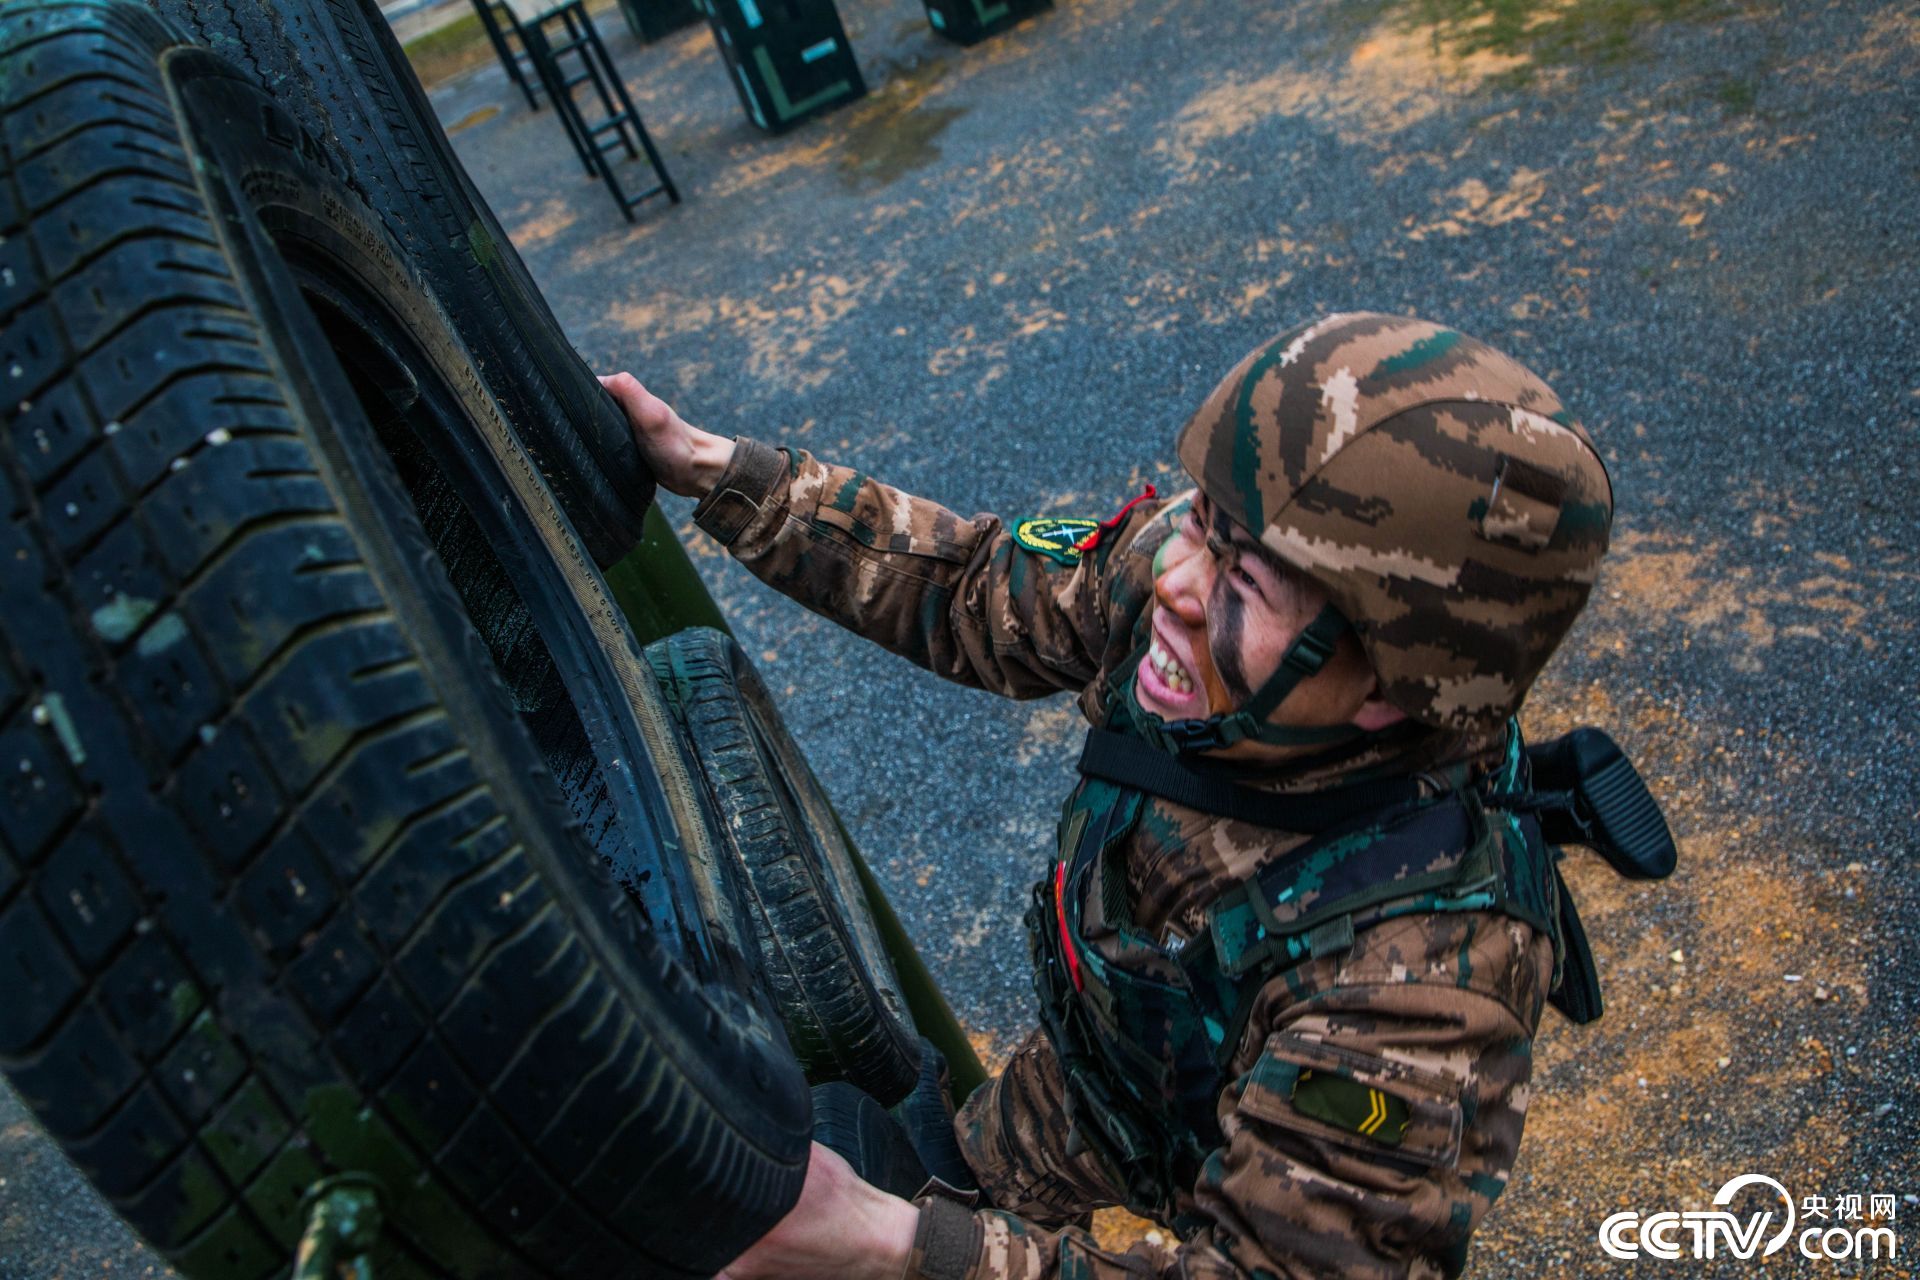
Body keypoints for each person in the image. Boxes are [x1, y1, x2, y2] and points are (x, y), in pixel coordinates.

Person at [601, 312, 1624, 1280]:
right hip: (1096, 1083)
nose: (1174, 582)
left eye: (1245, 583)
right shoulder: (1189, 574)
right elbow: (974, 589)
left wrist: (907, 1247)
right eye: (1206, 524)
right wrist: (725, 473)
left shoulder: (1420, 990)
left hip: (1222, 1149)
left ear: (1394, 685)